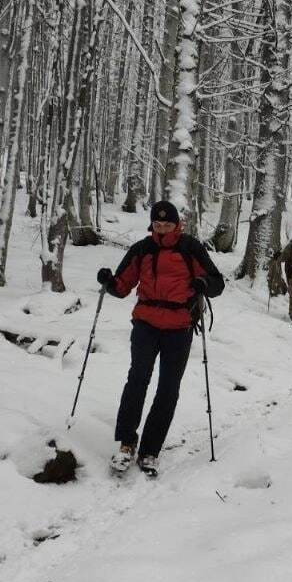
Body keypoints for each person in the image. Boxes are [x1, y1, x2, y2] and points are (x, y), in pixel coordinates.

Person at [97, 201, 224, 476]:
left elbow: (217, 283)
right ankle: (127, 443)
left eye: (167, 225)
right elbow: (122, 286)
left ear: (177, 224)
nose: (163, 229)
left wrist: (204, 284)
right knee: (137, 380)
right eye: (158, 225)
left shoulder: (190, 247)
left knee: (168, 388)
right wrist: (109, 282)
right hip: (145, 324)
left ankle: (150, 450)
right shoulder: (142, 249)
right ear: (152, 225)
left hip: (179, 326)